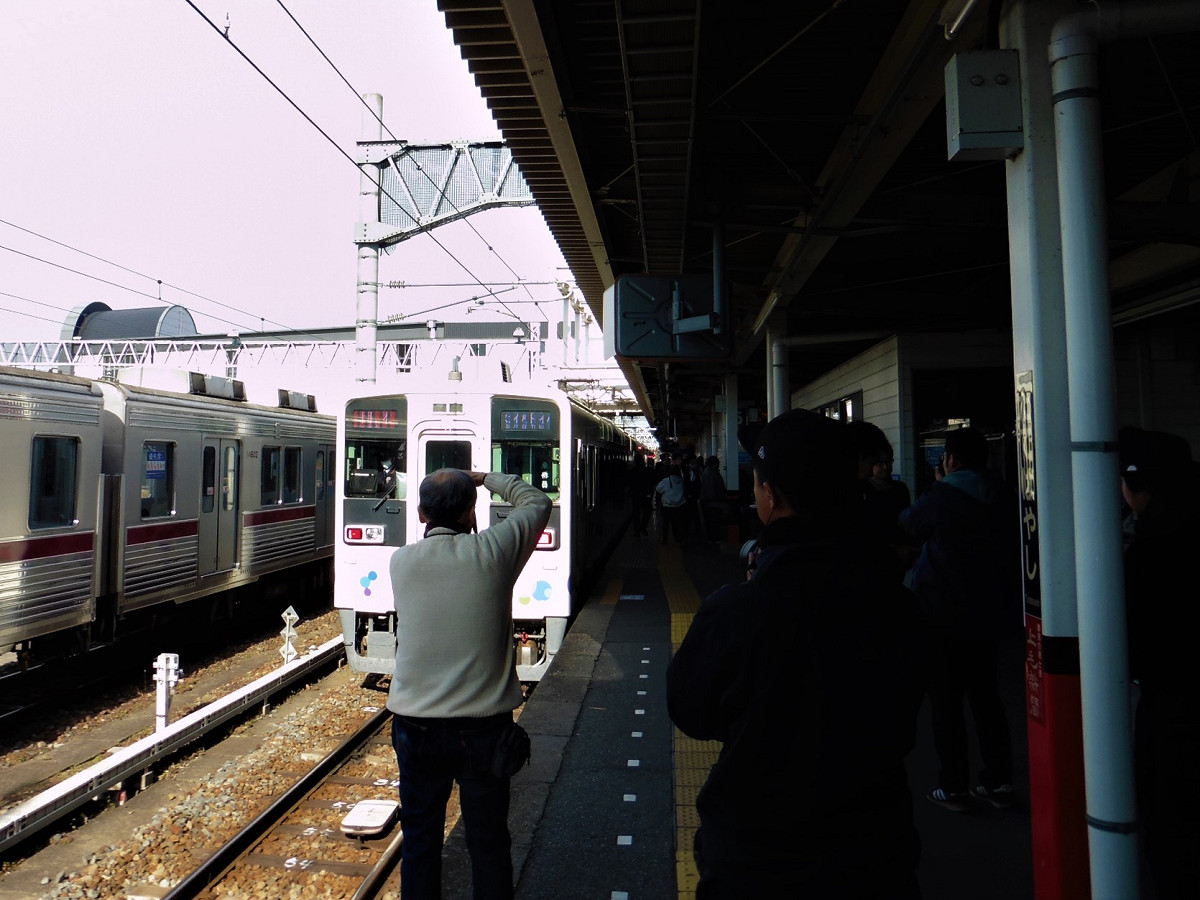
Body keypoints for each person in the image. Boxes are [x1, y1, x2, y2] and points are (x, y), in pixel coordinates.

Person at [667, 409, 926, 898]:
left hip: (758, 861)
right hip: (875, 858)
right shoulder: (900, 606)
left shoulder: (736, 611)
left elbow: (691, 712)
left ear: (771, 496)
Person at [387, 468, 551, 900]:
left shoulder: (400, 561)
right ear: (471, 510)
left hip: (415, 727)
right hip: (483, 732)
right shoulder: (493, 552)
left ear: (421, 512)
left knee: (420, 843)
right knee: (489, 842)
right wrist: (486, 478)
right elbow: (537, 503)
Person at [899, 426, 1018, 812]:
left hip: (942, 614)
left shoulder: (943, 495)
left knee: (947, 703)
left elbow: (908, 525)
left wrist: (939, 487)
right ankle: (998, 781)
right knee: (987, 698)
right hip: (988, 612)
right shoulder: (1003, 493)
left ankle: (954, 786)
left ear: (949, 459)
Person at [1119, 426, 1200, 899]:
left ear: (1138, 485)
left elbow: (1136, 637)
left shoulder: (1150, 547)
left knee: (1171, 815)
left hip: (1171, 699)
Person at [655, 461, 688, 545]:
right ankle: (678, 540)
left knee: (665, 524)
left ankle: (664, 540)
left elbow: (658, 489)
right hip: (679, 506)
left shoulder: (666, 481)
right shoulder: (682, 481)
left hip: (667, 506)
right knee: (676, 524)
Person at [698, 455, 728, 542]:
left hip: (711, 502)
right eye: (717, 463)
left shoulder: (708, 472)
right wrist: (719, 498)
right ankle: (714, 538)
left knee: (712, 522)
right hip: (712, 502)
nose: (718, 464)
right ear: (714, 464)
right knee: (713, 521)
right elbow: (711, 489)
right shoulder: (711, 473)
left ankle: (714, 537)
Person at [627, 453, 657, 537]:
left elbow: (628, 484)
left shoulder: (631, 472)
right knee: (647, 512)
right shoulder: (649, 471)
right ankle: (643, 527)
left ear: (635, 462)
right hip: (646, 496)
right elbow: (654, 482)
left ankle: (637, 531)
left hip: (635, 496)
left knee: (636, 513)